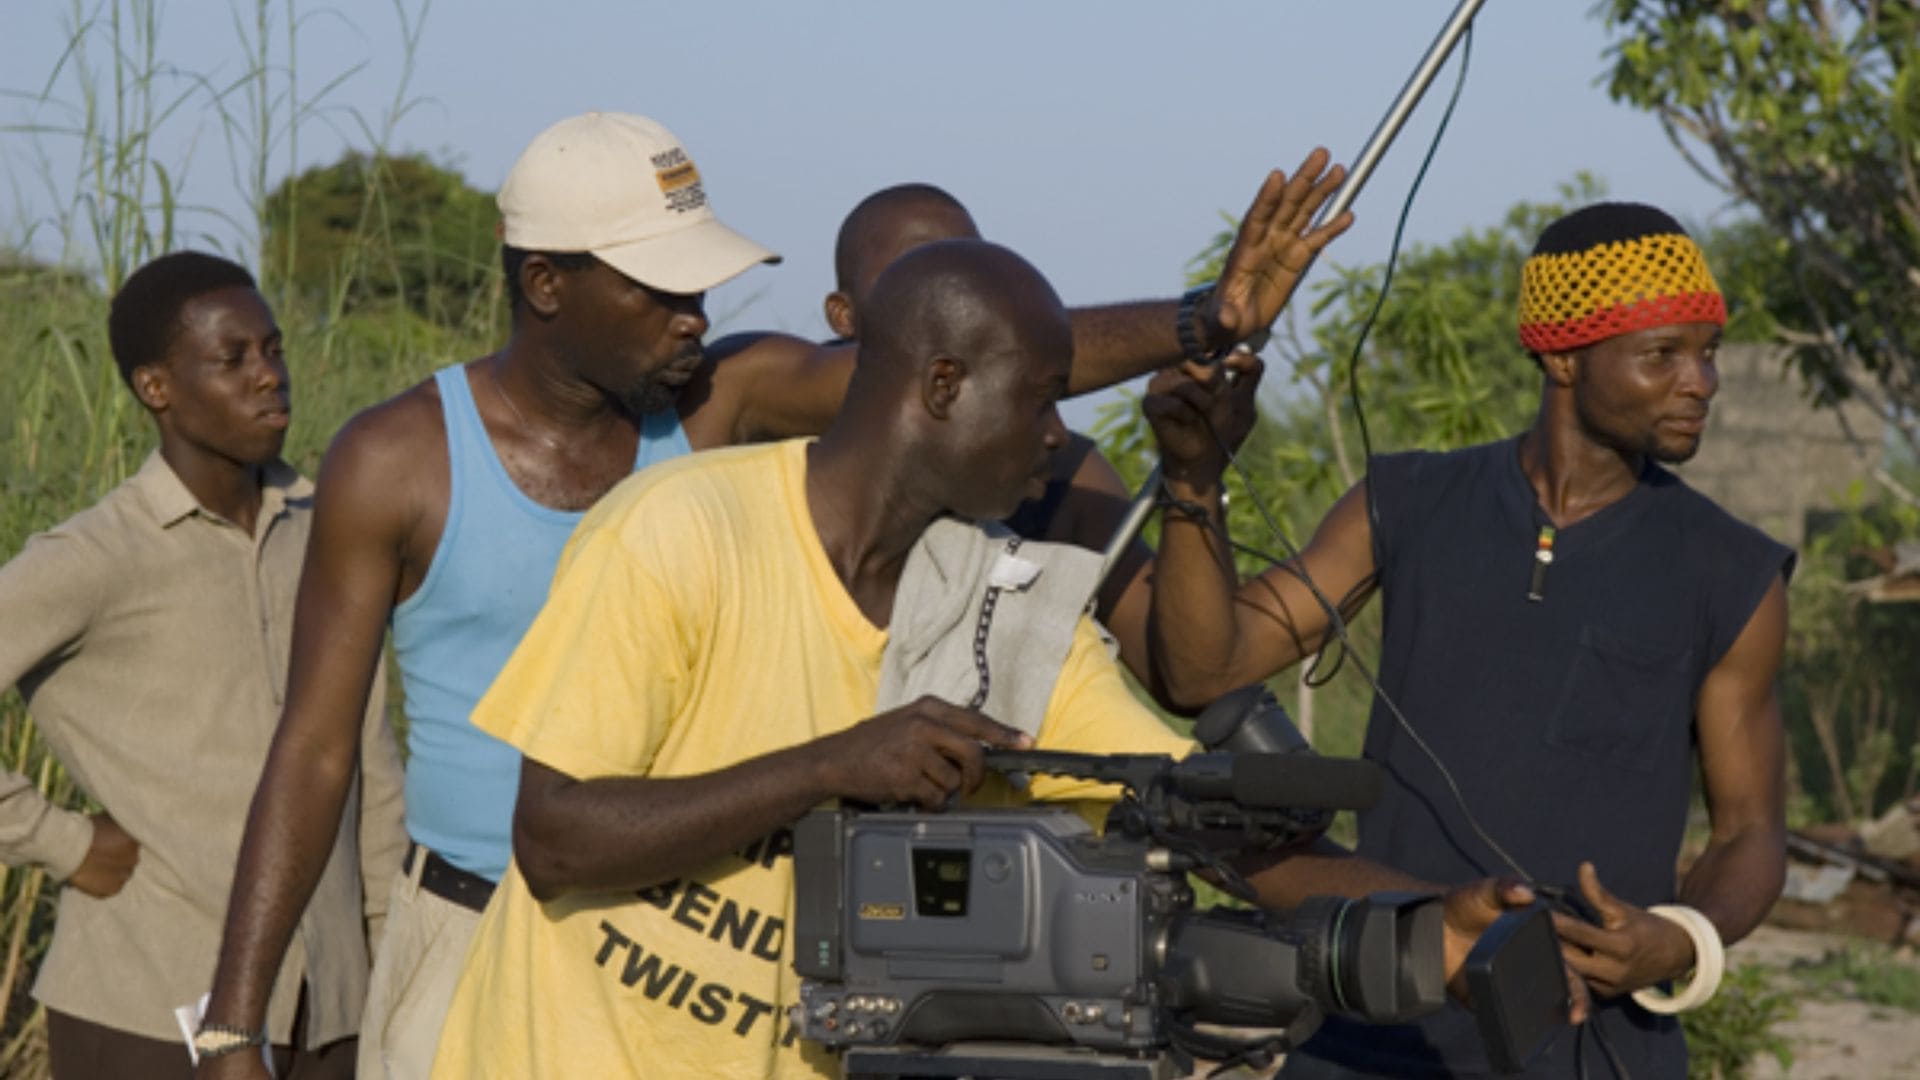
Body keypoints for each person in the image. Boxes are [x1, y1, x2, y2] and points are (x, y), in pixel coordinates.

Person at [197, 109, 1357, 1080]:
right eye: (662, 288)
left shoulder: (719, 403)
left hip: (718, 935)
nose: (696, 314)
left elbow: (958, 361)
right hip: (478, 927)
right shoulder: (399, 461)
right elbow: (314, 752)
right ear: (545, 283)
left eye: (703, 285)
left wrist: (1205, 320)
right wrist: (238, 1021)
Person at [425, 239, 1535, 1080]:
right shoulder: (681, 530)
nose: (1058, 435)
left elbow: (1223, 832)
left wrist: (1447, 920)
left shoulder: (1012, 612)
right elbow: (558, 836)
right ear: (944, 387)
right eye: (1044, 396)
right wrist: (832, 767)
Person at [1142, 202, 1793, 1078]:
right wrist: (1194, 480)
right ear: (1562, 355)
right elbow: (1202, 670)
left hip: (1593, 1047)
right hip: (1372, 1032)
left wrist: (1677, 942)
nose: (1702, 381)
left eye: (1707, 352)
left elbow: (1750, 831)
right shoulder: (1406, 501)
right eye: (1663, 354)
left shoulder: (1732, 573)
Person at [0, 251, 403, 1078]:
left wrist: (388, 954)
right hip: (149, 1003)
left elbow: (367, 754)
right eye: (233, 360)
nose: (270, 378)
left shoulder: (327, 526)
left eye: (274, 350)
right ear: (157, 389)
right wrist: (62, 842)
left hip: (330, 1006)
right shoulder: (97, 555)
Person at [819, 181, 1155, 683]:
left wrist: (1198, 484)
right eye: (916, 266)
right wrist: (1205, 322)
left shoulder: (1058, 471)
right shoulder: (783, 429)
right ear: (842, 315)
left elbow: (1186, 670)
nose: (954, 283)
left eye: (968, 262)